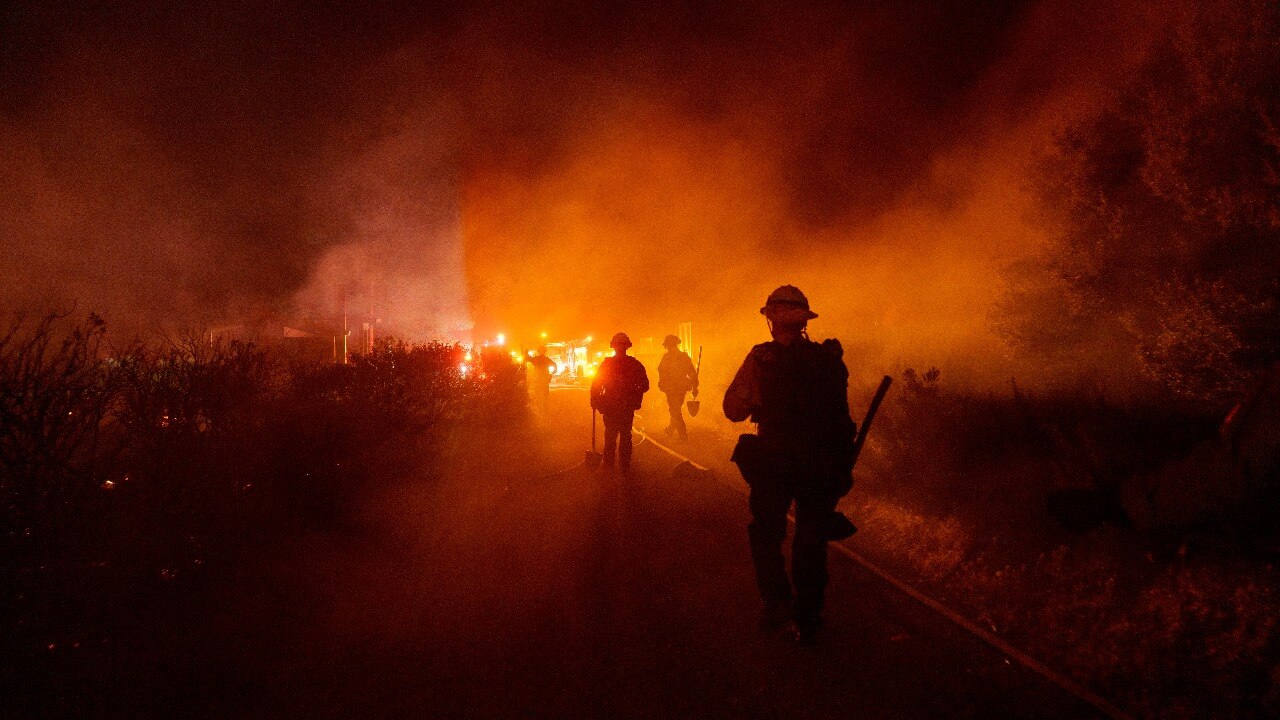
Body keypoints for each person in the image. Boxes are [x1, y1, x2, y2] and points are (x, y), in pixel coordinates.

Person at [724, 285, 856, 645]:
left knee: (766, 535)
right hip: (819, 465)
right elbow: (842, 418)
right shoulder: (828, 359)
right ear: (803, 322)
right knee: (811, 539)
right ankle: (810, 613)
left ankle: (778, 602)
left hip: (774, 463)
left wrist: (755, 400)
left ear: (771, 320)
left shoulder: (761, 359)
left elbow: (733, 410)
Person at [590, 332, 650, 472]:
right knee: (625, 434)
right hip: (626, 406)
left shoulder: (607, 364)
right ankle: (624, 465)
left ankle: (609, 464)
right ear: (626, 347)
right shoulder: (635, 364)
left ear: (614, 347)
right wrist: (634, 392)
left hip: (611, 405)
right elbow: (645, 385)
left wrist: (595, 399)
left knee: (610, 434)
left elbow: (596, 385)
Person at [657, 334, 698, 441]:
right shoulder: (683, 357)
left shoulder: (667, 357)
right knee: (675, 409)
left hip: (672, 388)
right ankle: (671, 429)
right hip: (680, 388)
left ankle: (683, 435)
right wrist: (695, 387)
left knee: (674, 410)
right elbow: (692, 373)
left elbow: (661, 372)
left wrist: (695, 387)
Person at [525, 347, 557, 414]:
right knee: (544, 393)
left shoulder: (536, 359)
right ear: (545, 351)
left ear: (538, 351)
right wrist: (553, 372)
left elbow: (527, 359)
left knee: (537, 393)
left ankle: (540, 407)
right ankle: (543, 407)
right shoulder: (547, 359)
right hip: (544, 378)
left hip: (537, 377)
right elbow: (554, 365)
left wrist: (526, 353)